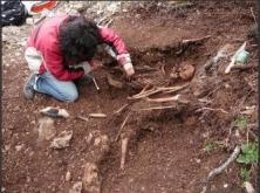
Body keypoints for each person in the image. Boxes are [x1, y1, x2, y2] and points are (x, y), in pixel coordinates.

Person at [23, 14, 135, 102]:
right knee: (70, 95)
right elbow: (60, 73)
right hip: (39, 59)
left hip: (59, 52)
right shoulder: (51, 44)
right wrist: (86, 68)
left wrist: (125, 61)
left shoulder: (85, 28)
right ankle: (37, 82)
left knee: (82, 64)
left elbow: (112, 38)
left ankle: (74, 73)